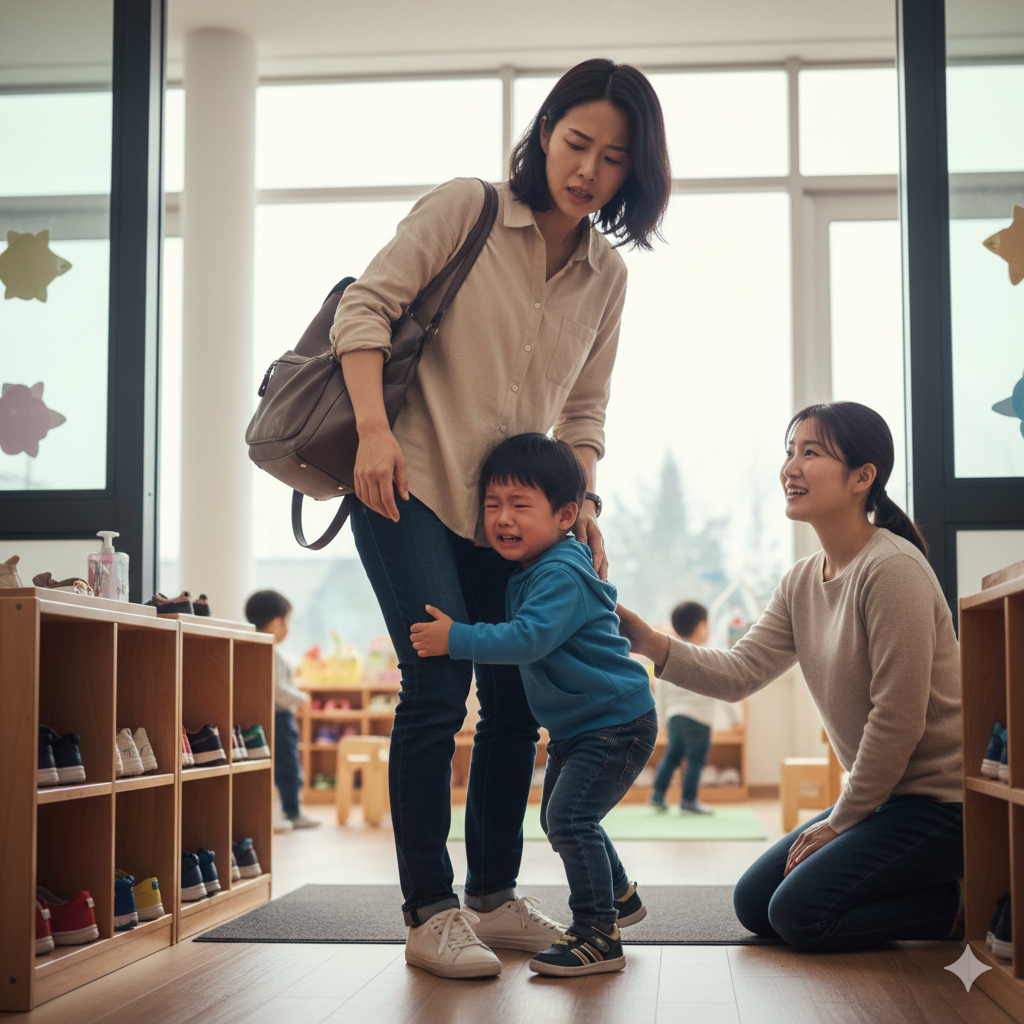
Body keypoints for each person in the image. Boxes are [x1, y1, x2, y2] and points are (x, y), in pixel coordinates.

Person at [330, 58, 671, 978]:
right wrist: (372, 432)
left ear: (634, 172)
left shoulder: (606, 276)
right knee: (437, 688)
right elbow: (365, 309)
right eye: (577, 143)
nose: (588, 170)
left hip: (509, 518)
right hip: (405, 484)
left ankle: (491, 895)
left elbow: (584, 412)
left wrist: (580, 504)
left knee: (517, 701)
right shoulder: (466, 208)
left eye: (613, 158)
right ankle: (429, 910)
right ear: (545, 131)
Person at [618, 401, 964, 953]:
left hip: (939, 808)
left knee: (800, 915)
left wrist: (840, 821)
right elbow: (739, 672)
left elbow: (897, 720)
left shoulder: (892, 569)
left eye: (811, 453)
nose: (790, 468)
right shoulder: (802, 581)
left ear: (862, 477)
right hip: (882, 801)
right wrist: (648, 641)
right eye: (789, 452)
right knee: (755, 904)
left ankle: (958, 903)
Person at [410, 433, 657, 977]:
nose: (503, 519)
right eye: (492, 505)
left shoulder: (561, 572)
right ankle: (619, 895)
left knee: (569, 818)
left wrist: (456, 638)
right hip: (583, 725)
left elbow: (527, 638)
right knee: (562, 816)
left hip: (614, 724)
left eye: (520, 505)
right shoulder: (536, 567)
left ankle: (598, 933)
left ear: (567, 514)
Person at [648, 600, 738, 814]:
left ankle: (657, 795)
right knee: (695, 760)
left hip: (675, 718)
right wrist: (733, 718)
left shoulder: (670, 655)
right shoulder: (710, 655)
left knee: (672, 756)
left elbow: (661, 691)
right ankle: (688, 801)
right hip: (699, 719)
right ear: (701, 627)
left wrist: (662, 720)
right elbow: (724, 687)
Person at [244, 590, 321, 830]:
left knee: (270, 767)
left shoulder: (250, 646)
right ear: (277, 622)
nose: (288, 628)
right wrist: (301, 699)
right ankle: (292, 811)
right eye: (288, 621)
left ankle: (280, 811)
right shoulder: (270, 650)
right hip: (279, 718)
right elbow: (277, 689)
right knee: (288, 766)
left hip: (261, 717)